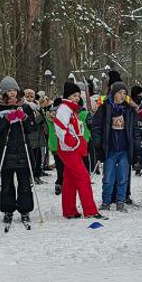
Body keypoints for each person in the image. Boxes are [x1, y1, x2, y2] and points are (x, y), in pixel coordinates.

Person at [0, 77, 37, 229]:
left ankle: (25, 209)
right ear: (4, 93)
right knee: (7, 184)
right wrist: (6, 120)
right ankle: (8, 209)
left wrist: (25, 117)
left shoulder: (25, 106)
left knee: (24, 184)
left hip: (22, 150)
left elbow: (32, 127)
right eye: (9, 91)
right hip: (5, 151)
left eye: (14, 90)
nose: (13, 93)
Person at [53, 81, 104, 220]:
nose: (77, 98)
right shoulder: (65, 108)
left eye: (78, 95)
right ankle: (90, 210)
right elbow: (59, 126)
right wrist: (70, 140)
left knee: (70, 180)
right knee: (83, 178)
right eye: (74, 95)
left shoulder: (71, 109)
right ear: (67, 96)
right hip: (69, 149)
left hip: (71, 148)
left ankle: (69, 210)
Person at [91, 82, 141, 212]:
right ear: (113, 94)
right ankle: (106, 202)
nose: (122, 95)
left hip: (124, 150)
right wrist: (98, 144)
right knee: (108, 178)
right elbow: (96, 127)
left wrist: (136, 149)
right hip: (110, 149)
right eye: (120, 93)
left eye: (125, 93)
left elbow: (135, 131)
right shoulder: (105, 108)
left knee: (123, 178)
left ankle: (120, 202)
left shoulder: (129, 110)